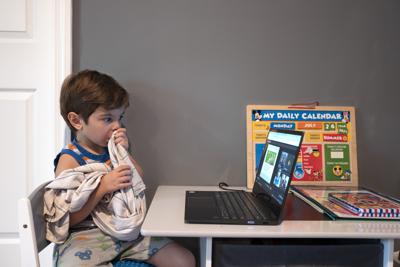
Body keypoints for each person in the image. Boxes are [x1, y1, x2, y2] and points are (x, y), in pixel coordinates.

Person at [52, 69, 195, 267]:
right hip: (85, 237)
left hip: (124, 230)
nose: (117, 126)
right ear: (77, 121)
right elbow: (68, 219)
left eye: (120, 117)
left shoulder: (112, 150)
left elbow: (138, 178)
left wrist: (124, 151)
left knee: (184, 260)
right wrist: (102, 187)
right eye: (108, 119)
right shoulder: (70, 160)